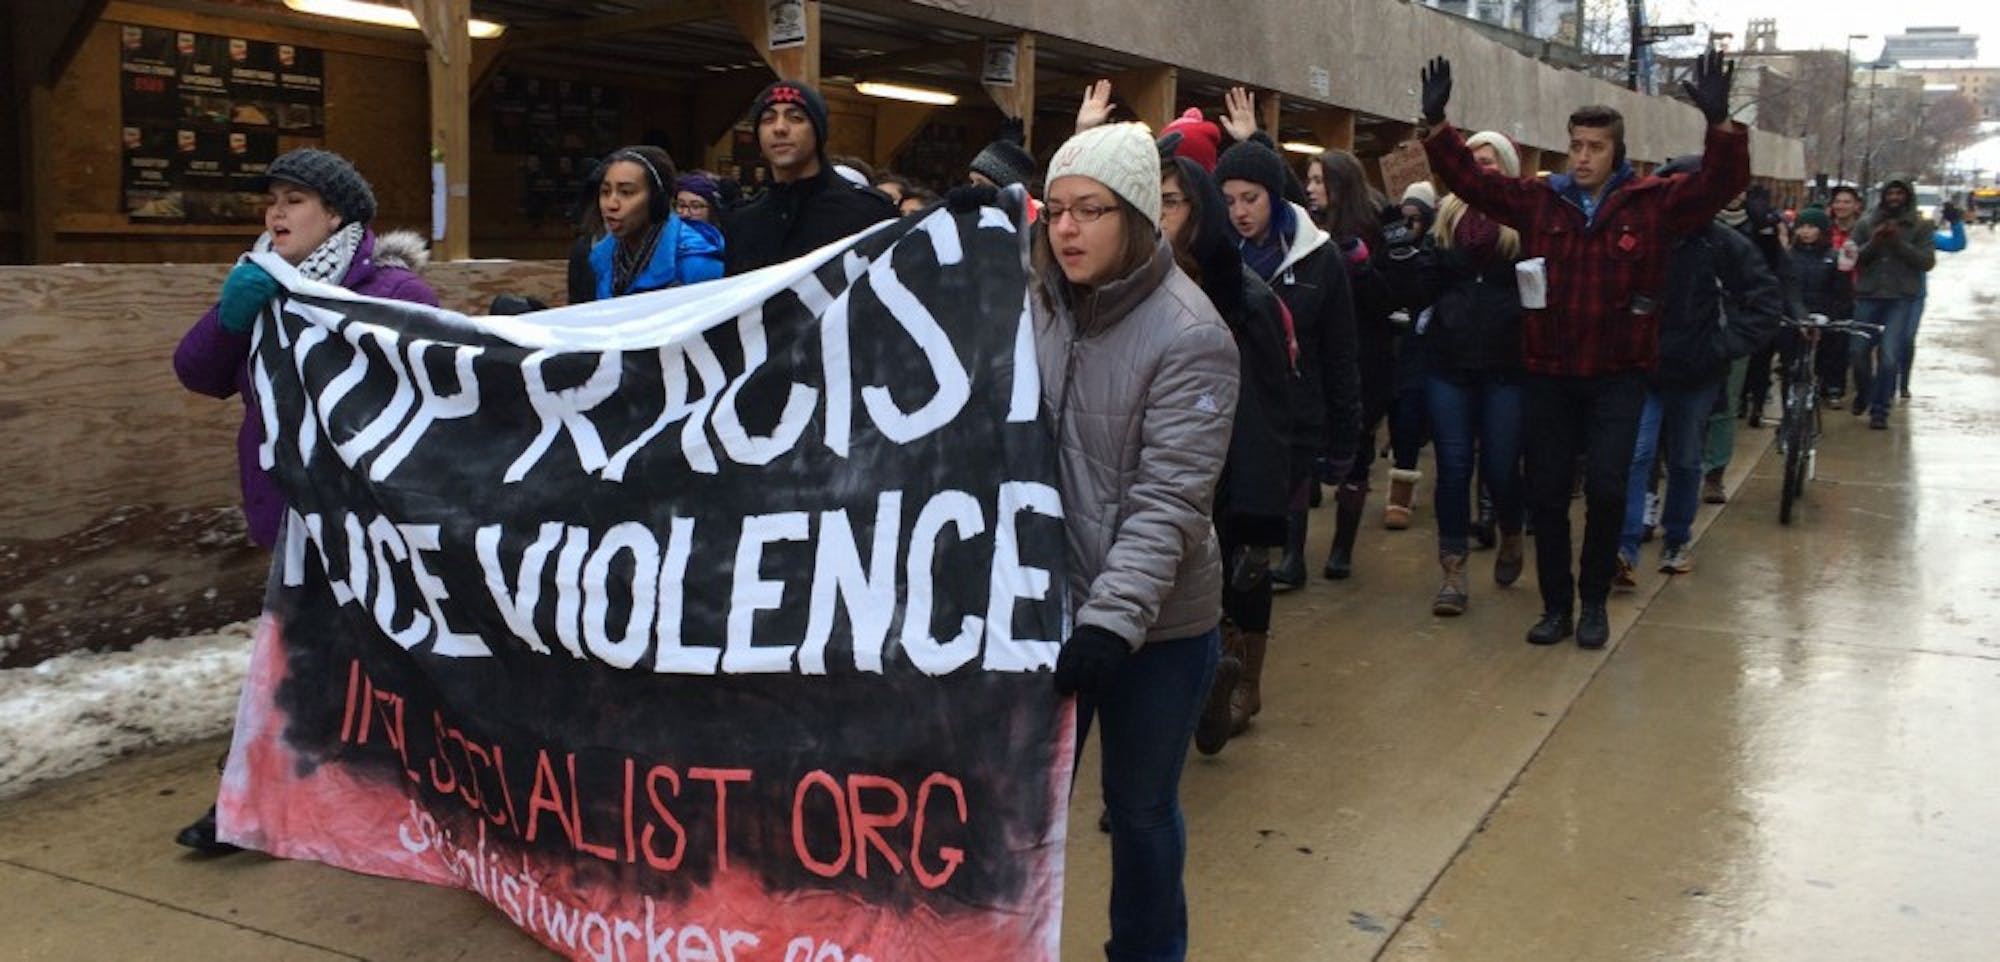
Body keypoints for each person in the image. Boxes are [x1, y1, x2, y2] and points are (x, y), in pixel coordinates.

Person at [1417, 50, 1747, 649]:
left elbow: (1720, 184)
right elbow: (1472, 182)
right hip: (1549, 375)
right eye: (1576, 145)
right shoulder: (1544, 202)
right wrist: (1439, 126)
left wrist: (1720, 125)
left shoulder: (1651, 205)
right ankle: (1555, 607)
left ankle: (1594, 602)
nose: (1584, 156)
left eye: (1595, 146)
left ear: (1616, 150)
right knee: (1545, 494)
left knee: (1606, 491)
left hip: (1619, 376)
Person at [172, 147, 439, 852]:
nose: (277, 212)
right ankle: (254, 806)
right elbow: (198, 373)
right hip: (292, 514)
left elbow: (442, 389)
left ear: (338, 215)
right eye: (273, 199)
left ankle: (416, 791)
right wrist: (233, 317)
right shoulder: (261, 285)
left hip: (372, 521)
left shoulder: (393, 292)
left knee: (383, 662)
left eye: (294, 200)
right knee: (295, 665)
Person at [1034, 122, 1239, 962]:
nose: (1068, 229)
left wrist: (1110, 623)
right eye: (1054, 211)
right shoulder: (1039, 304)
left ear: (1138, 220)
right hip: (1046, 610)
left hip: (1153, 629)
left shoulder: (1192, 336)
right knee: (1025, 810)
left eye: (1090, 210)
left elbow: (1170, 502)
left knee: (1141, 805)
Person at [1159, 153, 1293, 749]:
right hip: (1147, 467)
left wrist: (1267, 508)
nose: (1155, 213)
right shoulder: (1125, 284)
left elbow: (1268, 411)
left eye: (1169, 201)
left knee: (1230, 583)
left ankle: (1234, 685)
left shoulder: (1243, 296)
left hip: (1225, 471)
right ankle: (1193, 693)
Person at [1617, 156, 1781, 585]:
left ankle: (1676, 538)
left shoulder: (1725, 245)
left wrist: (1721, 347)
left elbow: (1765, 302)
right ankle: (1626, 545)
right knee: (1637, 454)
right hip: (1645, 368)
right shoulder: (1641, 238)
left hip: (1698, 372)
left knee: (1688, 460)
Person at [1215, 140, 1363, 591]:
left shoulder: (1322, 259)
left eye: (1251, 198)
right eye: (1229, 201)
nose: (1239, 211)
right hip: (1225, 415)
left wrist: (1344, 439)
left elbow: (1340, 353)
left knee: (1261, 541)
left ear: (1276, 196)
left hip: (1294, 419)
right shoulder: (1215, 254)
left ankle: (1281, 570)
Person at [1415, 131, 1528, 615]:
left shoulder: (1524, 222)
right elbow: (1423, 285)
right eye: (1474, 161)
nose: (1482, 169)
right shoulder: (1445, 220)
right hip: (1449, 361)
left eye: (1491, 162)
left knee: (1501, 467)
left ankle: (1510, 530)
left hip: (1506, 364)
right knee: (1454, 467)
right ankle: (1453, 569)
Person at [722, 80, 896, 274]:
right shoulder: (743, 222)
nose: (779, 128)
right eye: (768, 119)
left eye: (795, 118)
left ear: (818, 131)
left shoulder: (868, 213)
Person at [575, 146, 724, 302]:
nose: (611, 204)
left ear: (657, 200)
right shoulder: (601, 257)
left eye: (626, 192)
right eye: (605, 192)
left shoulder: (698, 265)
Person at [1848, 176, 1936, 430]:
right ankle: (1865, 393)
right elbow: (1854, 258)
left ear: (1907, 196)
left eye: (1899, 193)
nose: (1894, 198)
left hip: (1900, 298)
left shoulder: (1921, 226)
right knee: (1857, 351)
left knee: (1889, 357)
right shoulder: (1866, 223)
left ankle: (1880, 410)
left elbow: (1926, 262)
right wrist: (1875, 241)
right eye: (1890, 193)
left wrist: (1897, 242)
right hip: (1869, 295)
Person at [1820, 185, 1866, 406]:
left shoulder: (1864, 230)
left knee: (1846, 341)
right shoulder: (1825, 230)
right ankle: (1826, 383)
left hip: (1857, 290)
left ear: (1856, 205)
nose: (1841, 206)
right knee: (1828, 339)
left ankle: (1838, 386)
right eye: (1838, 201)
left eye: (1847, 202)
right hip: (1828, 290)